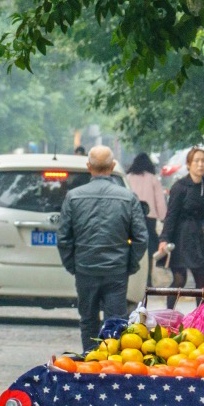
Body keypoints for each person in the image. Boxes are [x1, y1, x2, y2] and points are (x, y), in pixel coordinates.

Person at [57, 146, 148, 351]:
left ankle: (89, 362)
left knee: (88, 320)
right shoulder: (127, 197)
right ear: (113, 166)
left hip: (85, 268)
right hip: (116, 270)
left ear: (88, 166)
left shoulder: (73, 197)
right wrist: (129, 264)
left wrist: (74, 265)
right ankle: (111, 365)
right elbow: (141, 238)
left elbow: (63, 238)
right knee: (115, 322)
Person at [157, 146, 204, 305]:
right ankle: (168, 316)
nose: (200, 164)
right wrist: (164, 239)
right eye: (196, 161)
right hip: (180, 236)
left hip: (197, 237)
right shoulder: (179, 187)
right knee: (179, 280)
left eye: (203, 161)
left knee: (202, 282)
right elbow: (171, 215)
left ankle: (201, 320)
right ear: (189, 164)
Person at [123, 152, 167, 267]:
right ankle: (149, 272)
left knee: (133, 242)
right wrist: (163, 217)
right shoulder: (153, 179)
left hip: (132, 217)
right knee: (151, 245)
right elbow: (160, 201)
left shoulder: (128, 178)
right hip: (149, 218)